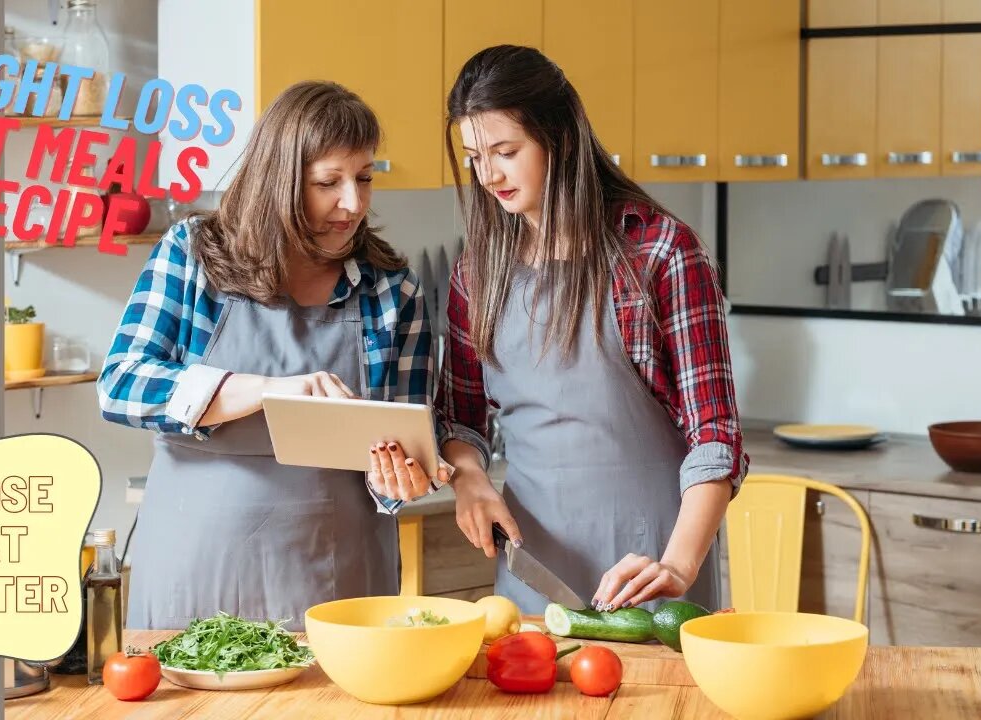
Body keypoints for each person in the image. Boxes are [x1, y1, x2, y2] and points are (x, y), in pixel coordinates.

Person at [98, 80, 449, 630]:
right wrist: (269, 389)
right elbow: (121, 384)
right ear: (280, 181)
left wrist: (402, 480)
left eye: (364, 178)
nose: (352, 204)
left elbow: (405, 441)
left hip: (338, 581)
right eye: (327, 183)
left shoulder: (391, 292)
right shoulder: (194, 256)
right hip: (196, 566)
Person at [434, 45, 749, 615]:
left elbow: (716, 436)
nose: (489, 175)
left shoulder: (660, 252)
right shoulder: (477, 272)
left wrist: (677, 565)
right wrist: (469, 479)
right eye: (475, 156)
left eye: (506, 152)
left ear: (562, 138)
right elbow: (460, 416)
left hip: (652, 567)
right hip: (535, 573)